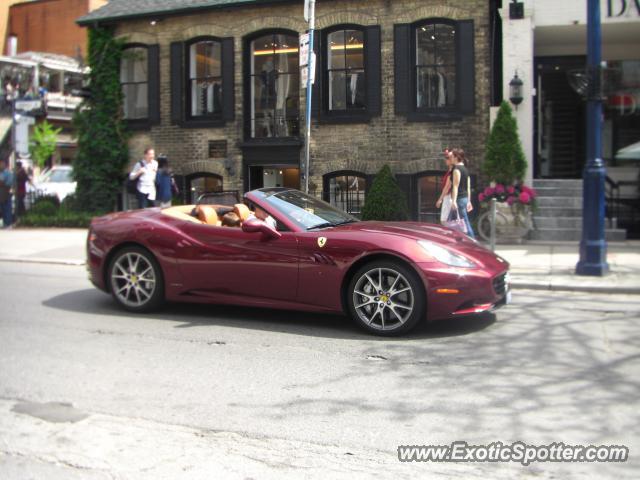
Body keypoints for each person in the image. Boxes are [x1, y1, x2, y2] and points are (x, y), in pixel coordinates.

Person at [449, 148, 475, 238]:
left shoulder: (456, 170)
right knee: (451, 222)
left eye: (452, 156)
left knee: (465, 223)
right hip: (464, 199)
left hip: (459, 200)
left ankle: (473, 242)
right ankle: (455, 242)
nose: (450, 158)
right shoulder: (465, 169)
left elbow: (455, 186)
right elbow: (468, 187)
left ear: (456, 157)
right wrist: (469, 201)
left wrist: (453, 201)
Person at [435, 149, 454, 224]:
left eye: (447, 158)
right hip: (449, 197)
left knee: (444, 220)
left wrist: (440, 199)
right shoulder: (450, 171)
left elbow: (447, 187)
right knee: (447, 220)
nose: (445, 160)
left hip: (449, 197)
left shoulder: (452, 172)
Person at [0, 158, 14, 228]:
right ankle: (3, 222)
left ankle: (8, 223)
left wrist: (2, 183)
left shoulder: (8, 173)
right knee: (1, 209)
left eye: (1, 163)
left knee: (7, 208)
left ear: (5, 164)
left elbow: (7, 184)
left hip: (5, 193)